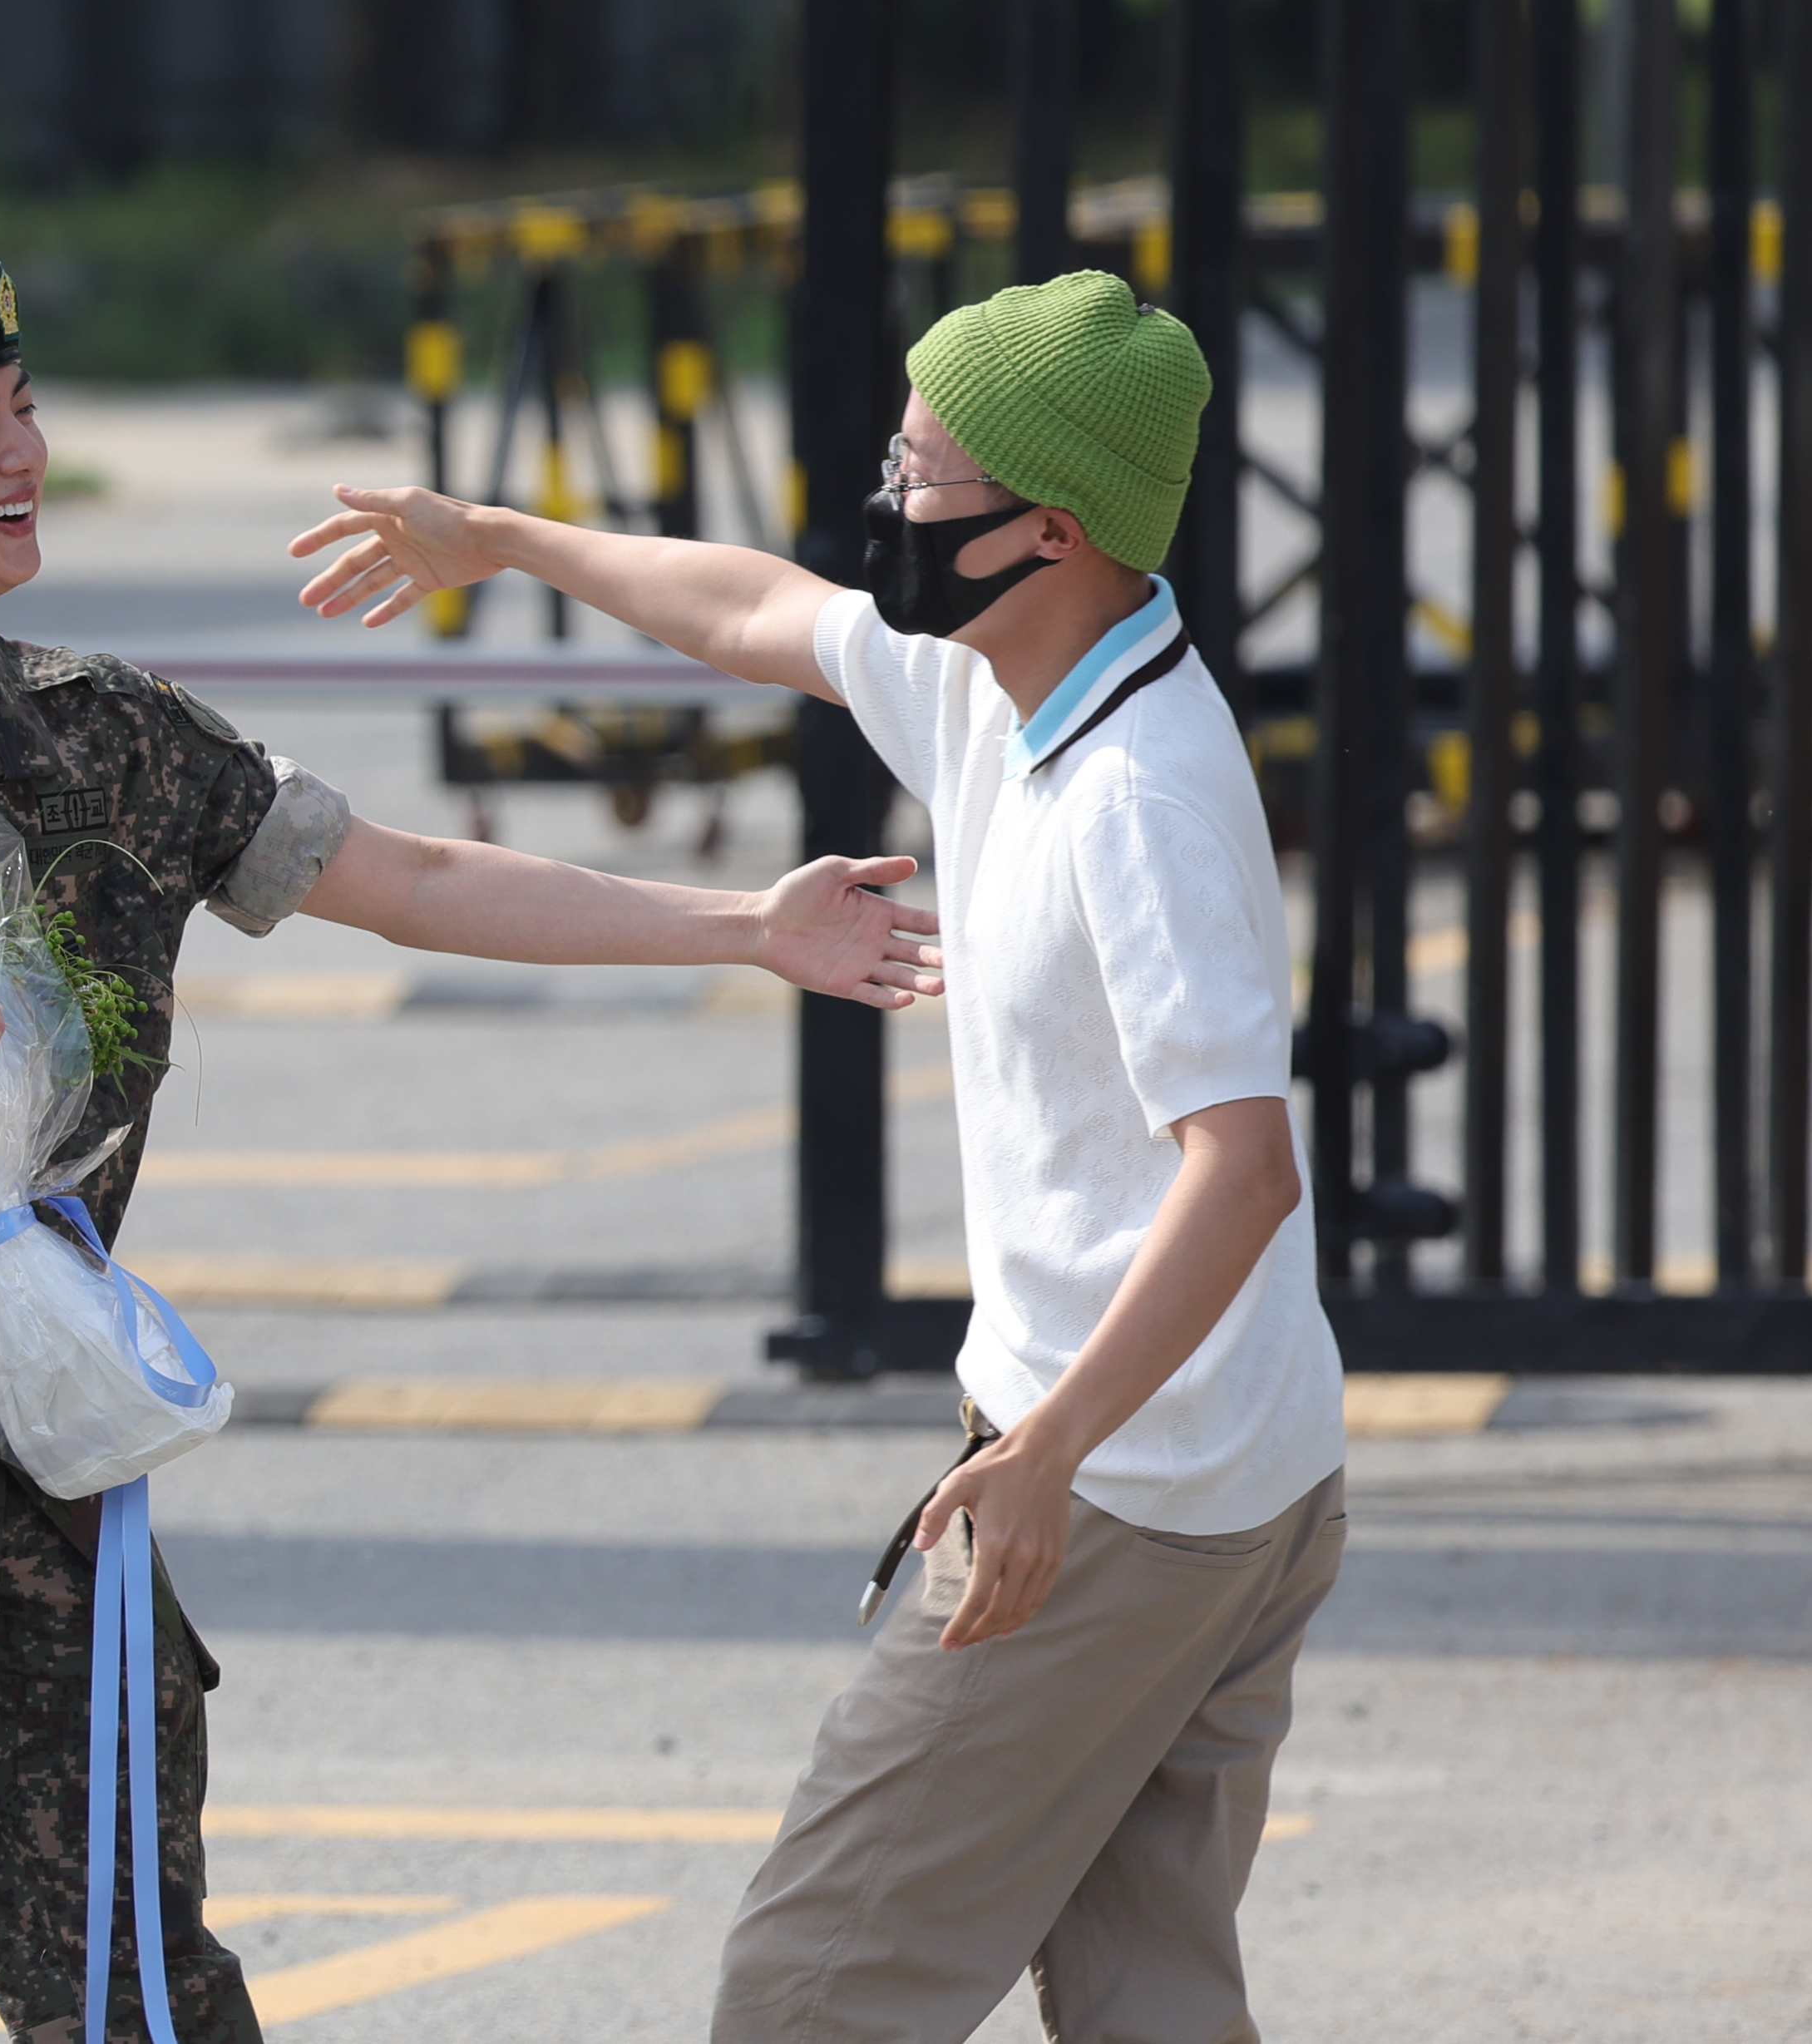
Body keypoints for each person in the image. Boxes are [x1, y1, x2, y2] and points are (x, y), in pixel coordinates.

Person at [0, 253, 945, 2044]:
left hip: (40, 1495)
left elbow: (414, 878)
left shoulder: (112, 738)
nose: (25, 455)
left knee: (147, 2000)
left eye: (30, 411)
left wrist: (744, 927)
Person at [292, 269, 1348, 2043]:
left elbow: (1243, 1167)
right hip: (1231, 1469)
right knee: (1148, 1995)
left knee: (811, 1990)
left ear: (1056, 527)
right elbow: (755, 608)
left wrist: (1044, 1456)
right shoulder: (1001, 678)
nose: (889, 503)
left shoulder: (1136, 792)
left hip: (1117, 1495)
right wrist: (504, 539)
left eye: (926, 477)